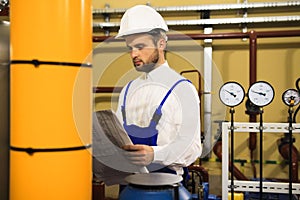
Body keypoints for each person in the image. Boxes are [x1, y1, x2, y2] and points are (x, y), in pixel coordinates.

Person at [115, 5, 202, 183]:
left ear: (161, 43)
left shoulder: (182, 90)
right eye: (130, 48)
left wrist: (155, 154)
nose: (133, 54)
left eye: (140, 46)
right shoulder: (128, 90)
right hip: (129, 185)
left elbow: (192, 148)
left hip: (165, 187)